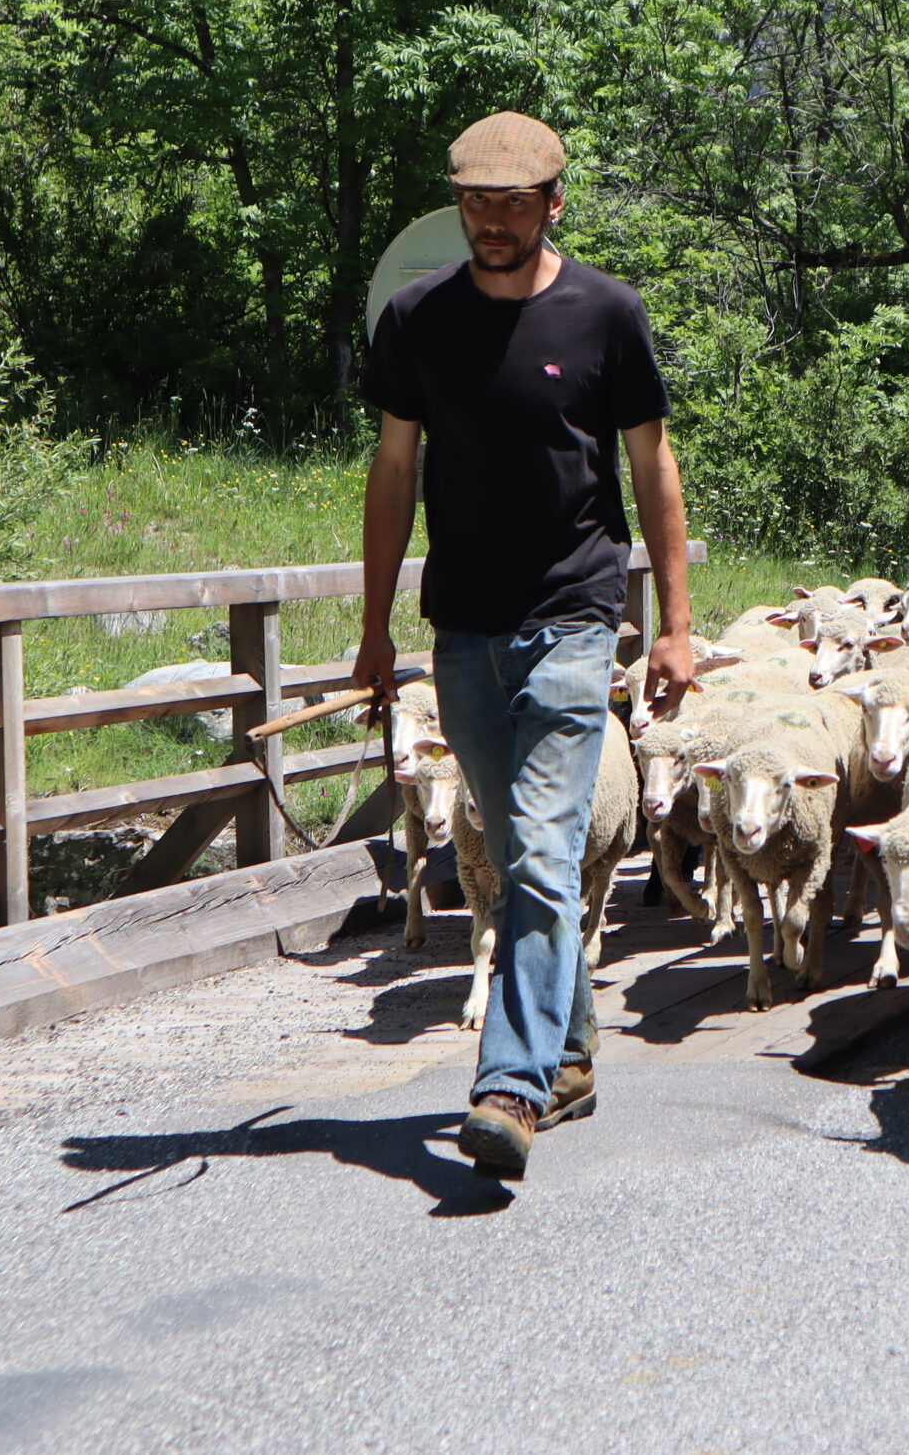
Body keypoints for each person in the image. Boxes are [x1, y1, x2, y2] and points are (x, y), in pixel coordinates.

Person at [353, 110, 696, 1184]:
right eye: (473, 201)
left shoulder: (607, 313)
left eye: (511, 202)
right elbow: (394, 471)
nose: (490, 220)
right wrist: (371, 628)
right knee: (515, 845)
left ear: (554, 202)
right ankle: (574, 1051)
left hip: (575, 615)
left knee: (541, 848)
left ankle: (508, 1082)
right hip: (464, 625)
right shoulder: (416, 318)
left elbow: (651, 469)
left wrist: (678, 623)